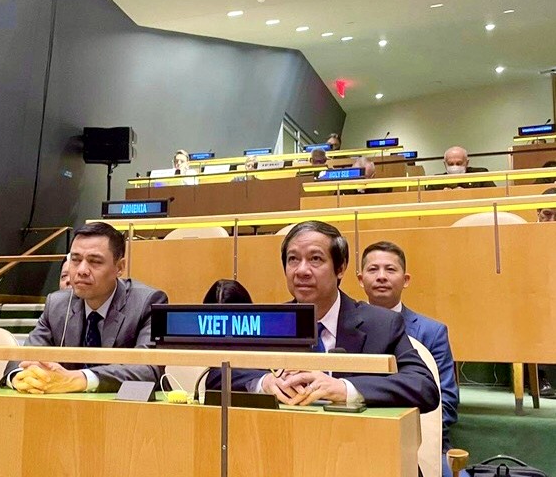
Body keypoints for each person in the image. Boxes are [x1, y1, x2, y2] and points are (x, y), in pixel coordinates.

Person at [208, 221, 439, 414]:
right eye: (293, 259)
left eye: (315, 259)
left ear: (341, 268)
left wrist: (344, 389)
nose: (302, 270)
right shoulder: (270, 321)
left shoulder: (381, 324)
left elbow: (423, 386)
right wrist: (263, 383)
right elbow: (217, 377)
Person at [1, 222, 168, 393]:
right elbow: (24, 358)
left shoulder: (148, 302)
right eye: (75, 260)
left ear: (119, 267)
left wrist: (80, 379)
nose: (82, 270)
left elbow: (149, 369)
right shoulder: (57, 304)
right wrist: (21, 377)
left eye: (94, 261)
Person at [358, 241, 459, 475]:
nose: (381, 276)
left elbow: (447, 402)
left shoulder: (432, 332)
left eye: (390, 269)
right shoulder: (346, 328)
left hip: (423, 441)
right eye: (373, 269)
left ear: (406, 280)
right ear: (361, 279)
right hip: (361, 436)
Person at [535, 188, 556, 398]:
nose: (551, 221)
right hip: (535, 297)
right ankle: (539, 376)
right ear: (538, 213)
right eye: (547, 215)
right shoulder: (524, 237)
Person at [426, 146, 495, 190]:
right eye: (450, 164)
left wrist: (467, 194)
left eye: (459, 163)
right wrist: (441, 196)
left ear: (467, 163)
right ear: (445, 164)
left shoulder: (480, 175)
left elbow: (494, 195)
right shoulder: (436, 182)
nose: (455, 166)